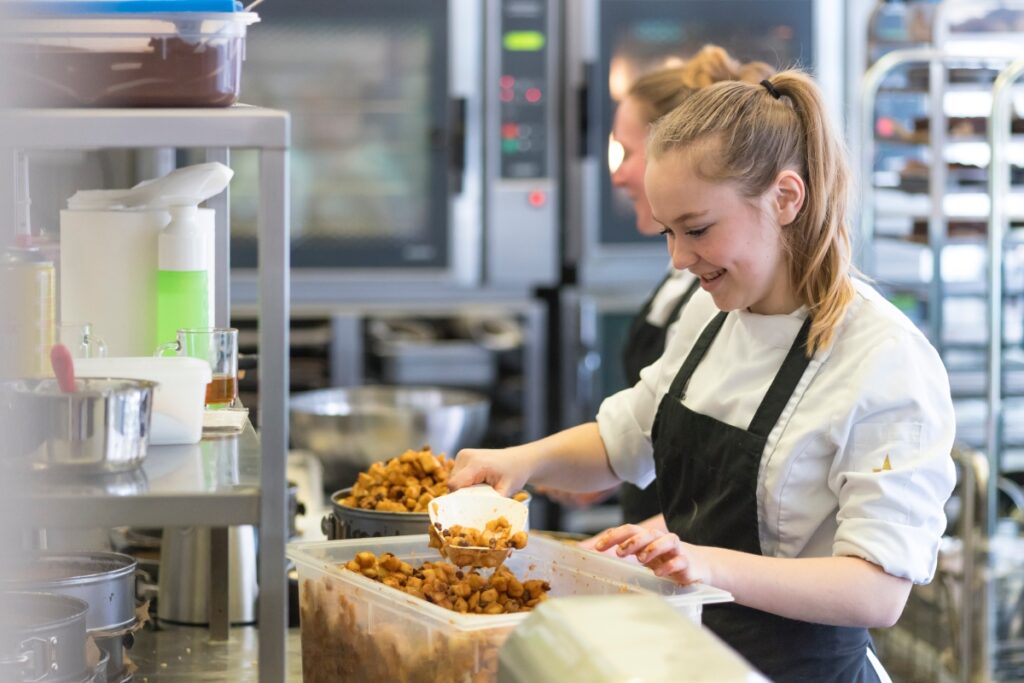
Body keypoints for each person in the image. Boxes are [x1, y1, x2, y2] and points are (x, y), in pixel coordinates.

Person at [451, 70, 956, 682]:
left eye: (697, 230)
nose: (679, 259)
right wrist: (519, 463)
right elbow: (624, 442)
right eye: (669, 232)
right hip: (687, 662)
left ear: (786, 198)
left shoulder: (883, 357)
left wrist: (706, 566)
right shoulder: (710, 312)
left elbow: (876, 590)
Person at [541, 46, 776, 526]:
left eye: (626, 152)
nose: (619, 173)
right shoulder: (692, 282)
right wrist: (603, 464)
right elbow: (648, 423)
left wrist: (665, 538)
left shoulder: (723, 293)